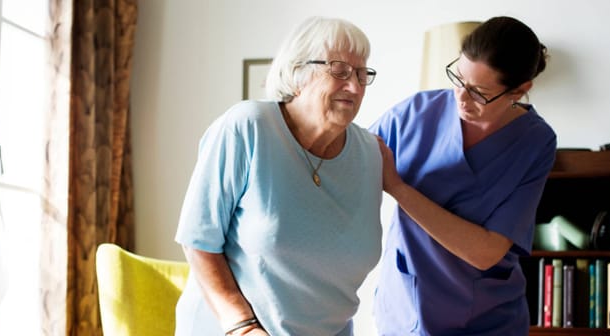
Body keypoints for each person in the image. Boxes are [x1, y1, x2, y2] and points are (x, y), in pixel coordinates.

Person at [174, 16, 383, 336]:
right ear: (299, 72)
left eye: (361, 74)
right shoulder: (248, 127)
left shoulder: (370, 152)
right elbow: (198, 241)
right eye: (339, 70)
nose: (354, 86)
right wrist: (242, 327)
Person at [370, 16, 556, 335]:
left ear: (520, 90)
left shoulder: (536, 141)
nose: (461, 97)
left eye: (480, 93)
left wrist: (399, 189)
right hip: (406, 308)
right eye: (458, 78)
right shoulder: (413, 113)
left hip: (488, 319)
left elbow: (486, 251)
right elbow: (344, 166)